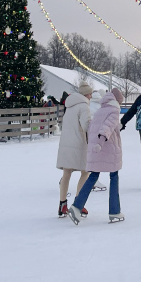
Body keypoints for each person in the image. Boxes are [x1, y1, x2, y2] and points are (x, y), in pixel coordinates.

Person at [69, 87, 126, 225]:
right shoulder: (114, 110)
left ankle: (77, 207)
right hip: (108, 149)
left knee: (93, 176)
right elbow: (106, 127)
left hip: (96, 150)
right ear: (117, 101)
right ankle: (114, 211)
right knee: (114, 177)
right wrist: (100, 143)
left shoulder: (102, 110)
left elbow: (96, 127)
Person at [56, 82, 93, 218]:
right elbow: (86, 125)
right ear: (85, 94)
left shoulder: (70, 106)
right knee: (85, 172)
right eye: (90, 93)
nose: (91, 96)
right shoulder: (84, 106)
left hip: (66, 143)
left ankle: (62, 204)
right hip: (79, 144)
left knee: (67, 173)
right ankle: (79, 203)